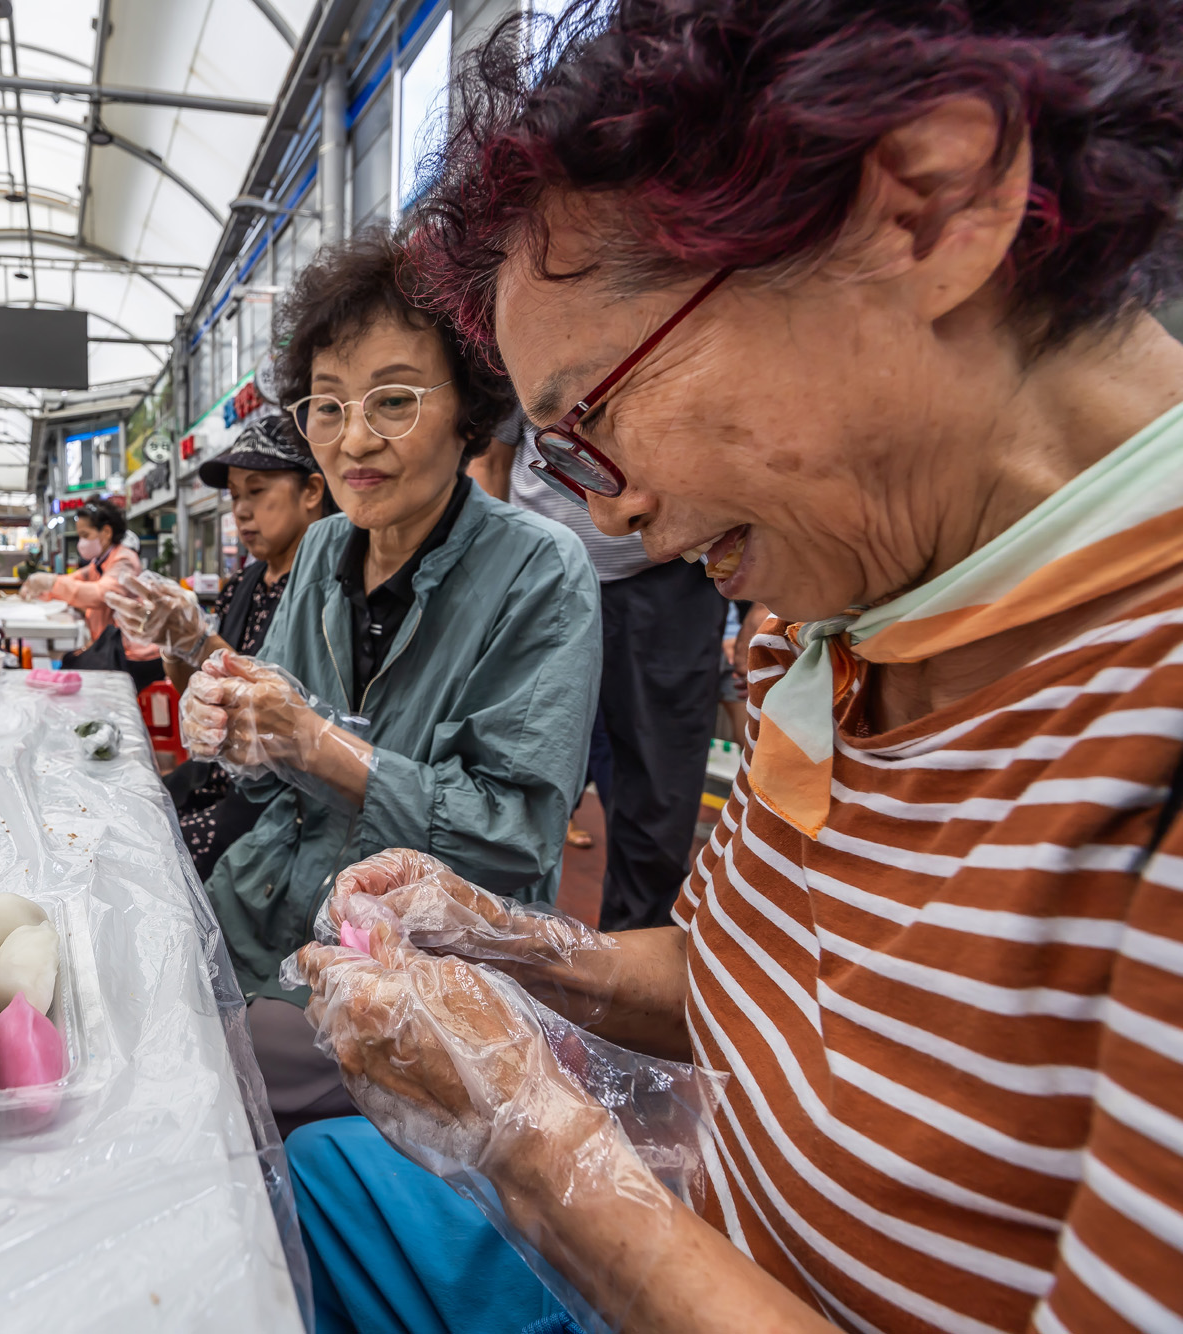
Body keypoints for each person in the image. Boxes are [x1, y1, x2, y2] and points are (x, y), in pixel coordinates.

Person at [284, 4, 1183, 1333]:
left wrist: (524, 1136)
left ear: (929, 208)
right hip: (701, 1228)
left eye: (597, 414)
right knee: (294, 1178)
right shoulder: (827, 608)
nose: (610, 506)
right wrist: (516, 939)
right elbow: (736, 967)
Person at [180, 228, 602, 1132]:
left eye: (395, 400)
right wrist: (230, 727)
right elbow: (267, 774)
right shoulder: (324, 547)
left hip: (411, 973)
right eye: (327, 407)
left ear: (471, 410)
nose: (354, 440)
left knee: (194, 1087)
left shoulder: (540, 571)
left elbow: (514, 841)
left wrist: (318, 746)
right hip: (265, 918)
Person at [509, 426, 728, 930]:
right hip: (541, 582)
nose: (607, 513)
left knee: (658, 787)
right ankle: (497, 941)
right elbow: (493, 457)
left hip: (667, 577)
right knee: (516, 767)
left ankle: (638, 951)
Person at [111, 412, 333, 880]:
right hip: (213, 775)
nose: (242, 511)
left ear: (312, 491)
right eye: (235, 496)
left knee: (145, 868)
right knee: (117, 819)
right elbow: (195, 690)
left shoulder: (329, 591)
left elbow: (281, 714)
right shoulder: (242, 584)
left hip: (274, 804)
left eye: (257, 490)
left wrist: (200, 640)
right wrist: (172, 642)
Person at [21, 498, 162, 686]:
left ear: (106, 532)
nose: (82, 542)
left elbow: (100, 594)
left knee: (73, 669)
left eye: (85, 535)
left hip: (133, 654)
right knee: (70, 662)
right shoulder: (100, 562)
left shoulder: (124, 561)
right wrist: (42, 589)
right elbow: (74, 580)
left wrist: (52, 583)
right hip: (111, 644)